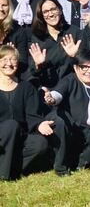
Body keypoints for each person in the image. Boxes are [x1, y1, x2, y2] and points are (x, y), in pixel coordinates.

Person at [0, 45, 66, 179]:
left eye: (13, 60)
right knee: (11, 125)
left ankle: (11, 169)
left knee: (39, 144)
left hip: (20, 137)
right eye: (4, 60)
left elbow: (32, 115)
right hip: (2, 138)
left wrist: (38, 125)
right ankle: (5, 175)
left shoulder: (26, 87)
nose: (9, 64)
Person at [28, 0, 82, 92]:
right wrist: (38, 65)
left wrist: (75, 56)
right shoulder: (37, 37)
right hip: (47, 89)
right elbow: (32, 72)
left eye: (53, 9)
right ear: (41, 16)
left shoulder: (75, 33)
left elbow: (88, 63)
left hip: (73, 89)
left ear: (60, 10)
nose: (51, 14)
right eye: (46, 12)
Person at [0, 0, 29, 78]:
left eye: (4, 5)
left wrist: (14, 57)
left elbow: (24, 62)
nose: (1, 9)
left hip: (13, 77)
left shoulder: (18, 30)